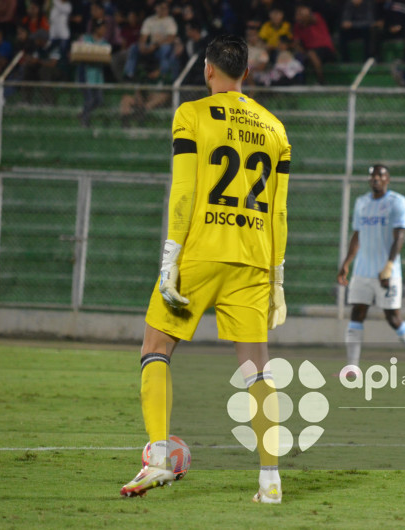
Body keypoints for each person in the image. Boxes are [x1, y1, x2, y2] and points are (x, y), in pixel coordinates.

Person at [120, 34, 291, 504]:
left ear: (207, 69)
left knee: (156, 346)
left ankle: (157, 458)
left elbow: (184, 190)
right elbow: (278, 213)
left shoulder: (191, 114)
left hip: (201, 250)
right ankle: (270, 481)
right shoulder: (276, 129)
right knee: (258, 369)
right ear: (247, 73)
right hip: (254, 258)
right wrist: (277, 277)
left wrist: (170, 256)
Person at [336, 164, 405, 379]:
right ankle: (352, 367)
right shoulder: (361, 203)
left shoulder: (397, 202)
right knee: (357, 313)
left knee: (393, 318)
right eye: (373, 175)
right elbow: (357, 234)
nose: (376, 178)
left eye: (380, 175)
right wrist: (347, 262)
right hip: (362, 272)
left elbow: (399, 236)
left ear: (388, 179)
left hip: (387, 272)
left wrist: (389, 266)